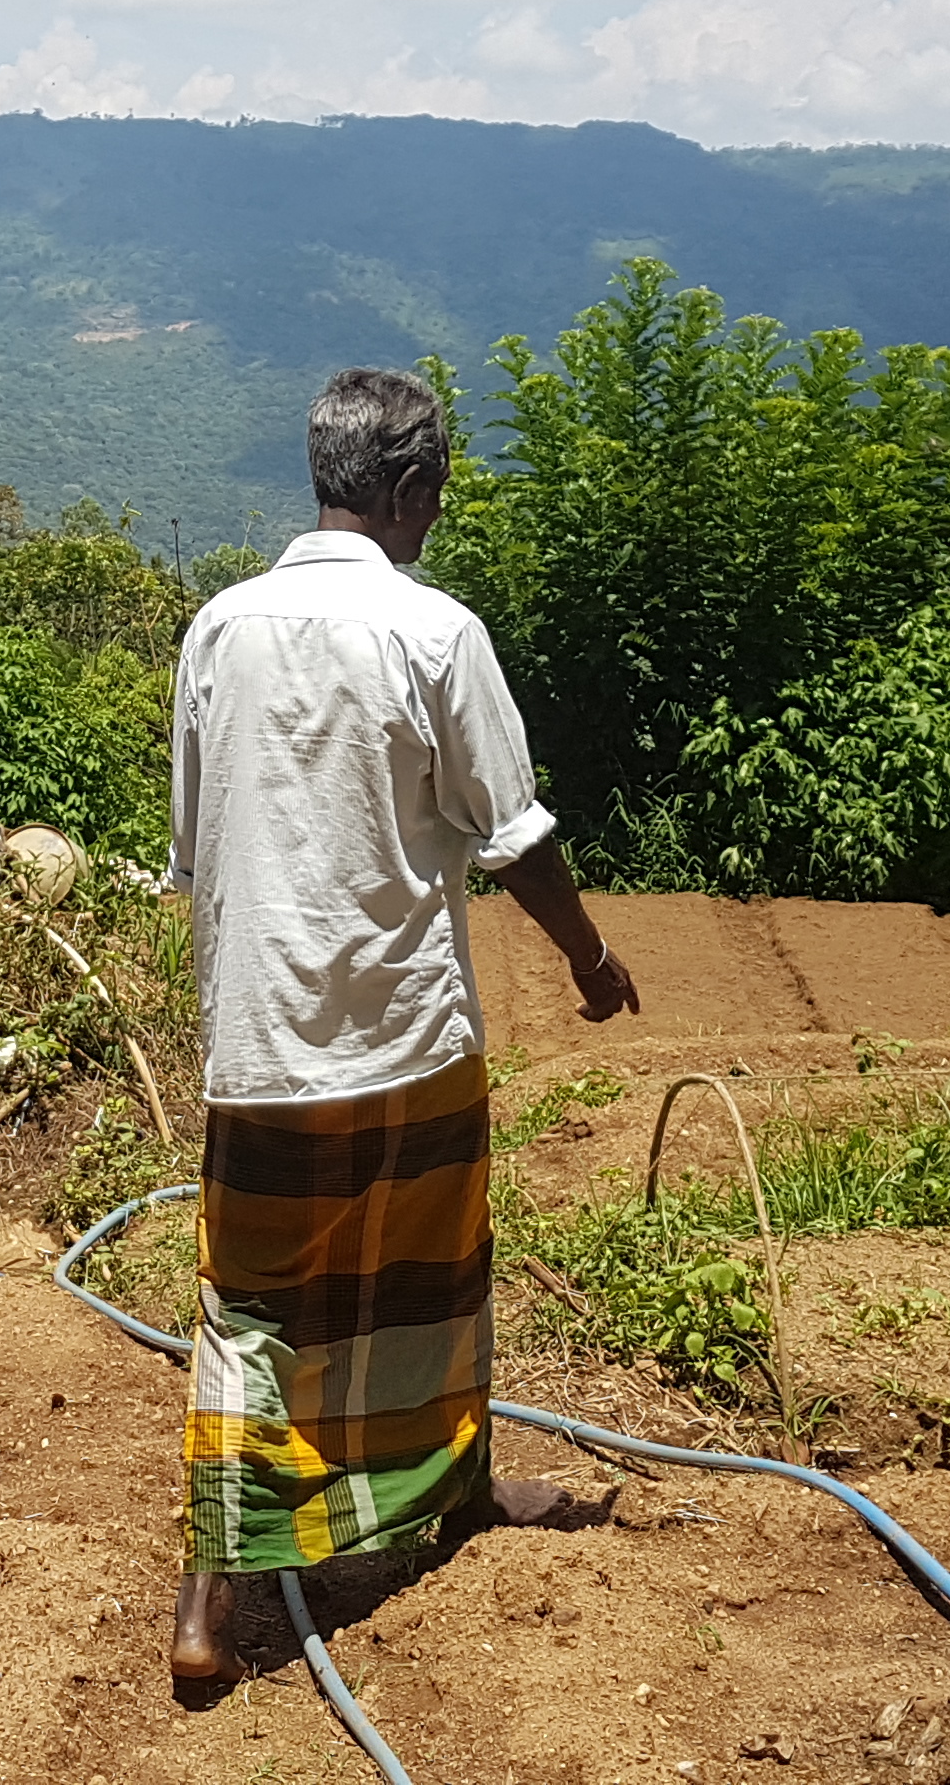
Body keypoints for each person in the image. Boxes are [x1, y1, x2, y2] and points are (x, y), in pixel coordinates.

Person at [162, 365, 642, 1684]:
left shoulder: (217, 632)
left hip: (259, 1049)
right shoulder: (438, 637)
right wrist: (592, 960)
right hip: (407, 1046)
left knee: (248, 1310)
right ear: (417, 490)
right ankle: (453, 1494)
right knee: (429, 1286)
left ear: (323, 480)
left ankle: (210, 1608)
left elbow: (196, 855)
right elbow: (517, 841)